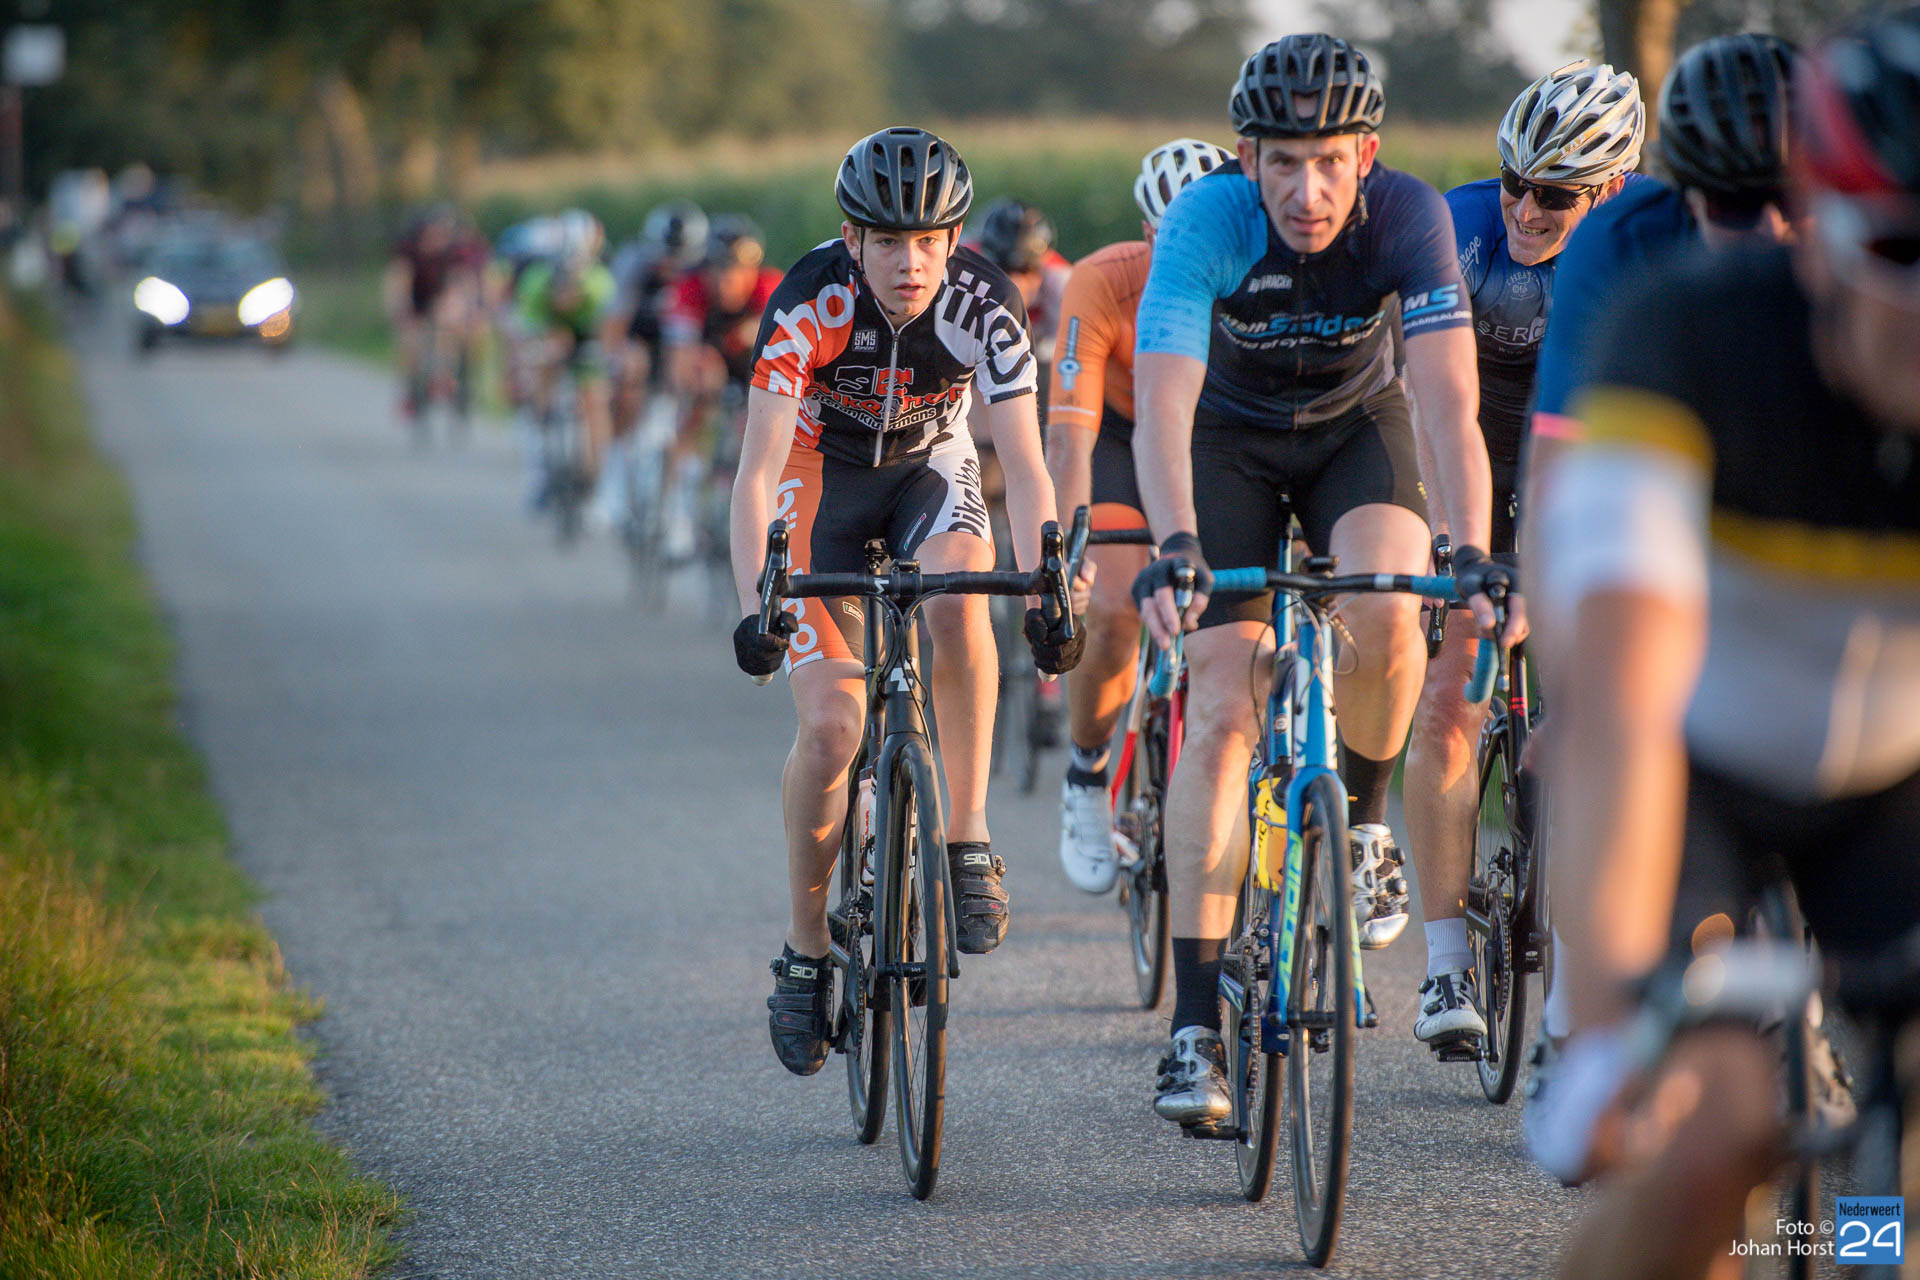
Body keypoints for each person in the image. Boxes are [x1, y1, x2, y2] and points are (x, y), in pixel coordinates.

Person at [1523, 15, 1920, 1276]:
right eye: (1901, 251)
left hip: (1893, 779)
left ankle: (1876, 1234)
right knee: (1713, 1141)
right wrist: (1601, 1032)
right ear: (1822, 233)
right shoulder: (1687, 337)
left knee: (1906, 1168)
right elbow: (1619, 695)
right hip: (1694, 766)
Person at [1127, 34, 1513, 1128]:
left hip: (1355, 430)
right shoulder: (1206, 221)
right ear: (1247, 157)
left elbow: (1449, 403)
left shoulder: (1407, 217)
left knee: (1389, 611)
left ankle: (1367, 820)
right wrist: (1174, 541)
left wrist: (1472, 548)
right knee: (1219, 705)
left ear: (1366, 157)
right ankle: (1193, 1025)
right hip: (1227, 444)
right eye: (1285, 163)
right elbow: (1161, 405)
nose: (1308, 191)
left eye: (1330, 162)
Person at [728, 127, 1079, 1076]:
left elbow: (1026, 463)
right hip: (818, 478)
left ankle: (966, 838)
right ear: (853, 238)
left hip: (931, 466)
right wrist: (757, 603)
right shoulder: (808, 298)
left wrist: (1047, 583)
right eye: (887, 241)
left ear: (955, 238)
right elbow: (755, 472)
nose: (910, 262)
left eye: (928, 240)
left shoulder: (986, 301)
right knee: (834, 726)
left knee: (961, 601)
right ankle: (806, 952)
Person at [1518, 31, 1802, 1051]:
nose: (1766, 231)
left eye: (1788, 202)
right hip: (1659, 484)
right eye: (1731, 207)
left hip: (1814, 528)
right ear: (1684, 193)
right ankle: (1590, 1011)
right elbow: (1563, 477)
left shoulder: (1874, 253)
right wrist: (1568, 688)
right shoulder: (1620, 243)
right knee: (1616, 734)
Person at [1400, 61, 1644, 1055]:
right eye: (1513, 180)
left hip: (1583, 448)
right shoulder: (1457, 230)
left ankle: (1584, 982)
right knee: (1450, 698)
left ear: (1610, 189)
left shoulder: (1644, 247)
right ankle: (1444, 964)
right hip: (1466, 439)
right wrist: (1450, 537)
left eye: (1555, 194)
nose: (1525, 209)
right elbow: (1419, 396)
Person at [1047, 137, 1234, 894]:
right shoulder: (1102, 281)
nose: (1183, 252)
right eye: (1166, 237)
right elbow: (1069, 436)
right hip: (1121, 437)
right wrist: (1066, 552)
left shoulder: (1258, 276)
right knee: (1117, 607)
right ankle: (1088, 772)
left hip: (1215, 439)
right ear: (1145, 232)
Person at [514, 209, 617, 485]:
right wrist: (535, 354)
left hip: (587, 335)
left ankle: (596, 474)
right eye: (561, 289)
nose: (566, 297)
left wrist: (605, 357)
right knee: (540, 369)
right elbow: (526, 333)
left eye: (573, 289)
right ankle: (541, 441)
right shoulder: (536, 281)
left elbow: (609, 332)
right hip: (548, 332)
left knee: (595, 399)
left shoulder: (600, 283)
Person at [385, 205, 488, 423]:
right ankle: (412, 388)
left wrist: (472, 310)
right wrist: (401, 311)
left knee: (452, 319)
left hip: (442, 297)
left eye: (442, 235)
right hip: (416, 298)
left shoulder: (455, 251)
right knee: (409, 340)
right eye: (432, 234)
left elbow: (464, 282)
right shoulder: (408, 251)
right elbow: (399, 282)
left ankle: (449, 375)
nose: (437, 240)